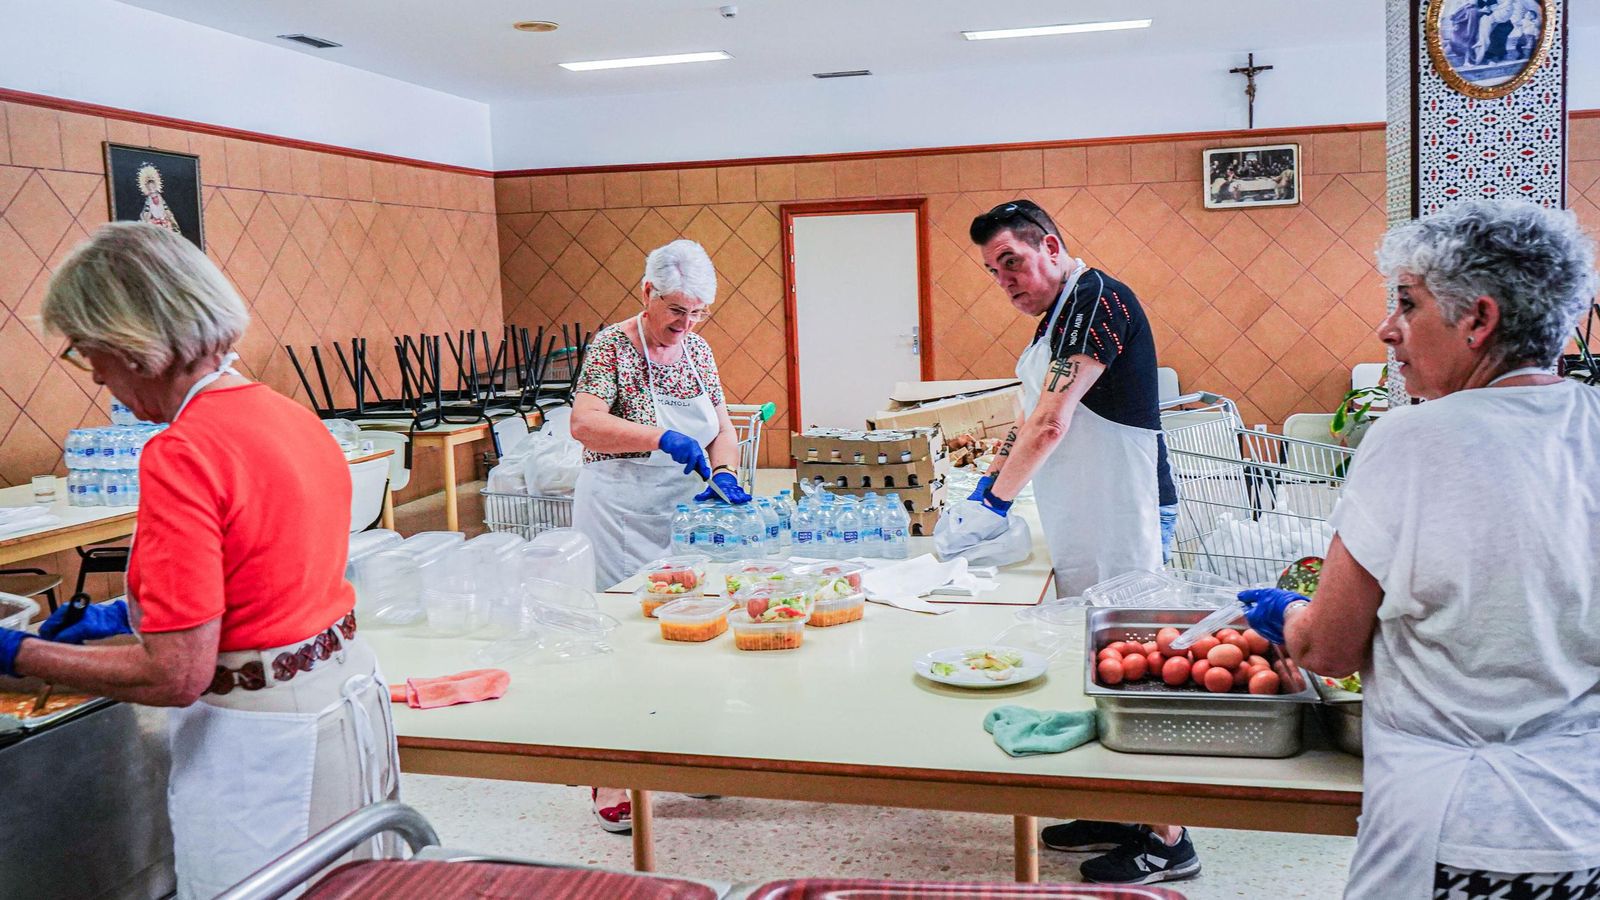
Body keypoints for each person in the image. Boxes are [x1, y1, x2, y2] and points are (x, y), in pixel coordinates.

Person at [0, 222, 398, 899]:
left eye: (88, 351)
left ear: (133, 344)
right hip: (343, 703)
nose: (95, 374)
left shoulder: (183, 451)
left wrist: (18, 653)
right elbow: (266, 574)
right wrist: (124, 615)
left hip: (262, 747)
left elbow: (177, 673)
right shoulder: (286, 415)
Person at [1240, 199, 1600, 900]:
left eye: (1407, 304)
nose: (1387, 329)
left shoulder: (1414, 439)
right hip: (1584, 825)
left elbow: (1329, 650)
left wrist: (1290, 616)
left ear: (1479, 319)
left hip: (1455, 831)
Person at [960, 200, 1195, 885]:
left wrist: (998, 501)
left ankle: (1170, 839)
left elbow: (1053, 422)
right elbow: (1027, 417)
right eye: (993, 272)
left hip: (1128, 515)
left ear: (1052, 246)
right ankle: (1118, 809)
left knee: (1136, 677)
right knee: (1097, 673)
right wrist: (984, 486)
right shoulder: (1054, 321)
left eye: (1012, 261)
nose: (1005, 280)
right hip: (1086, 517)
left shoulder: (1099, 300)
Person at [569, 237, 750, 832]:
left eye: (698, 311)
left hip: (681, 513)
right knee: (624, 639)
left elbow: (722, 427)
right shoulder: (611, 348)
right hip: (619, 512)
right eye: (676, 309)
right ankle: (610, 776)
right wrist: (657, 438)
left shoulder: (698, 350)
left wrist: (722, 472)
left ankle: (686, 751)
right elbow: (586, 424)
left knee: (693, 631)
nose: (686, 322)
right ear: (647, 293)